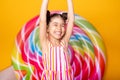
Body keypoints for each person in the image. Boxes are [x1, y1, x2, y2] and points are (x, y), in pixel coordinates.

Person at [39, 0, 74, 80]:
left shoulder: (64, 43)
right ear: (47, 29)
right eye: (55, 25)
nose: (59, 28)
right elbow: (42, 21)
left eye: (62, 25)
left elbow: (71, 20)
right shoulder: (46, 44)